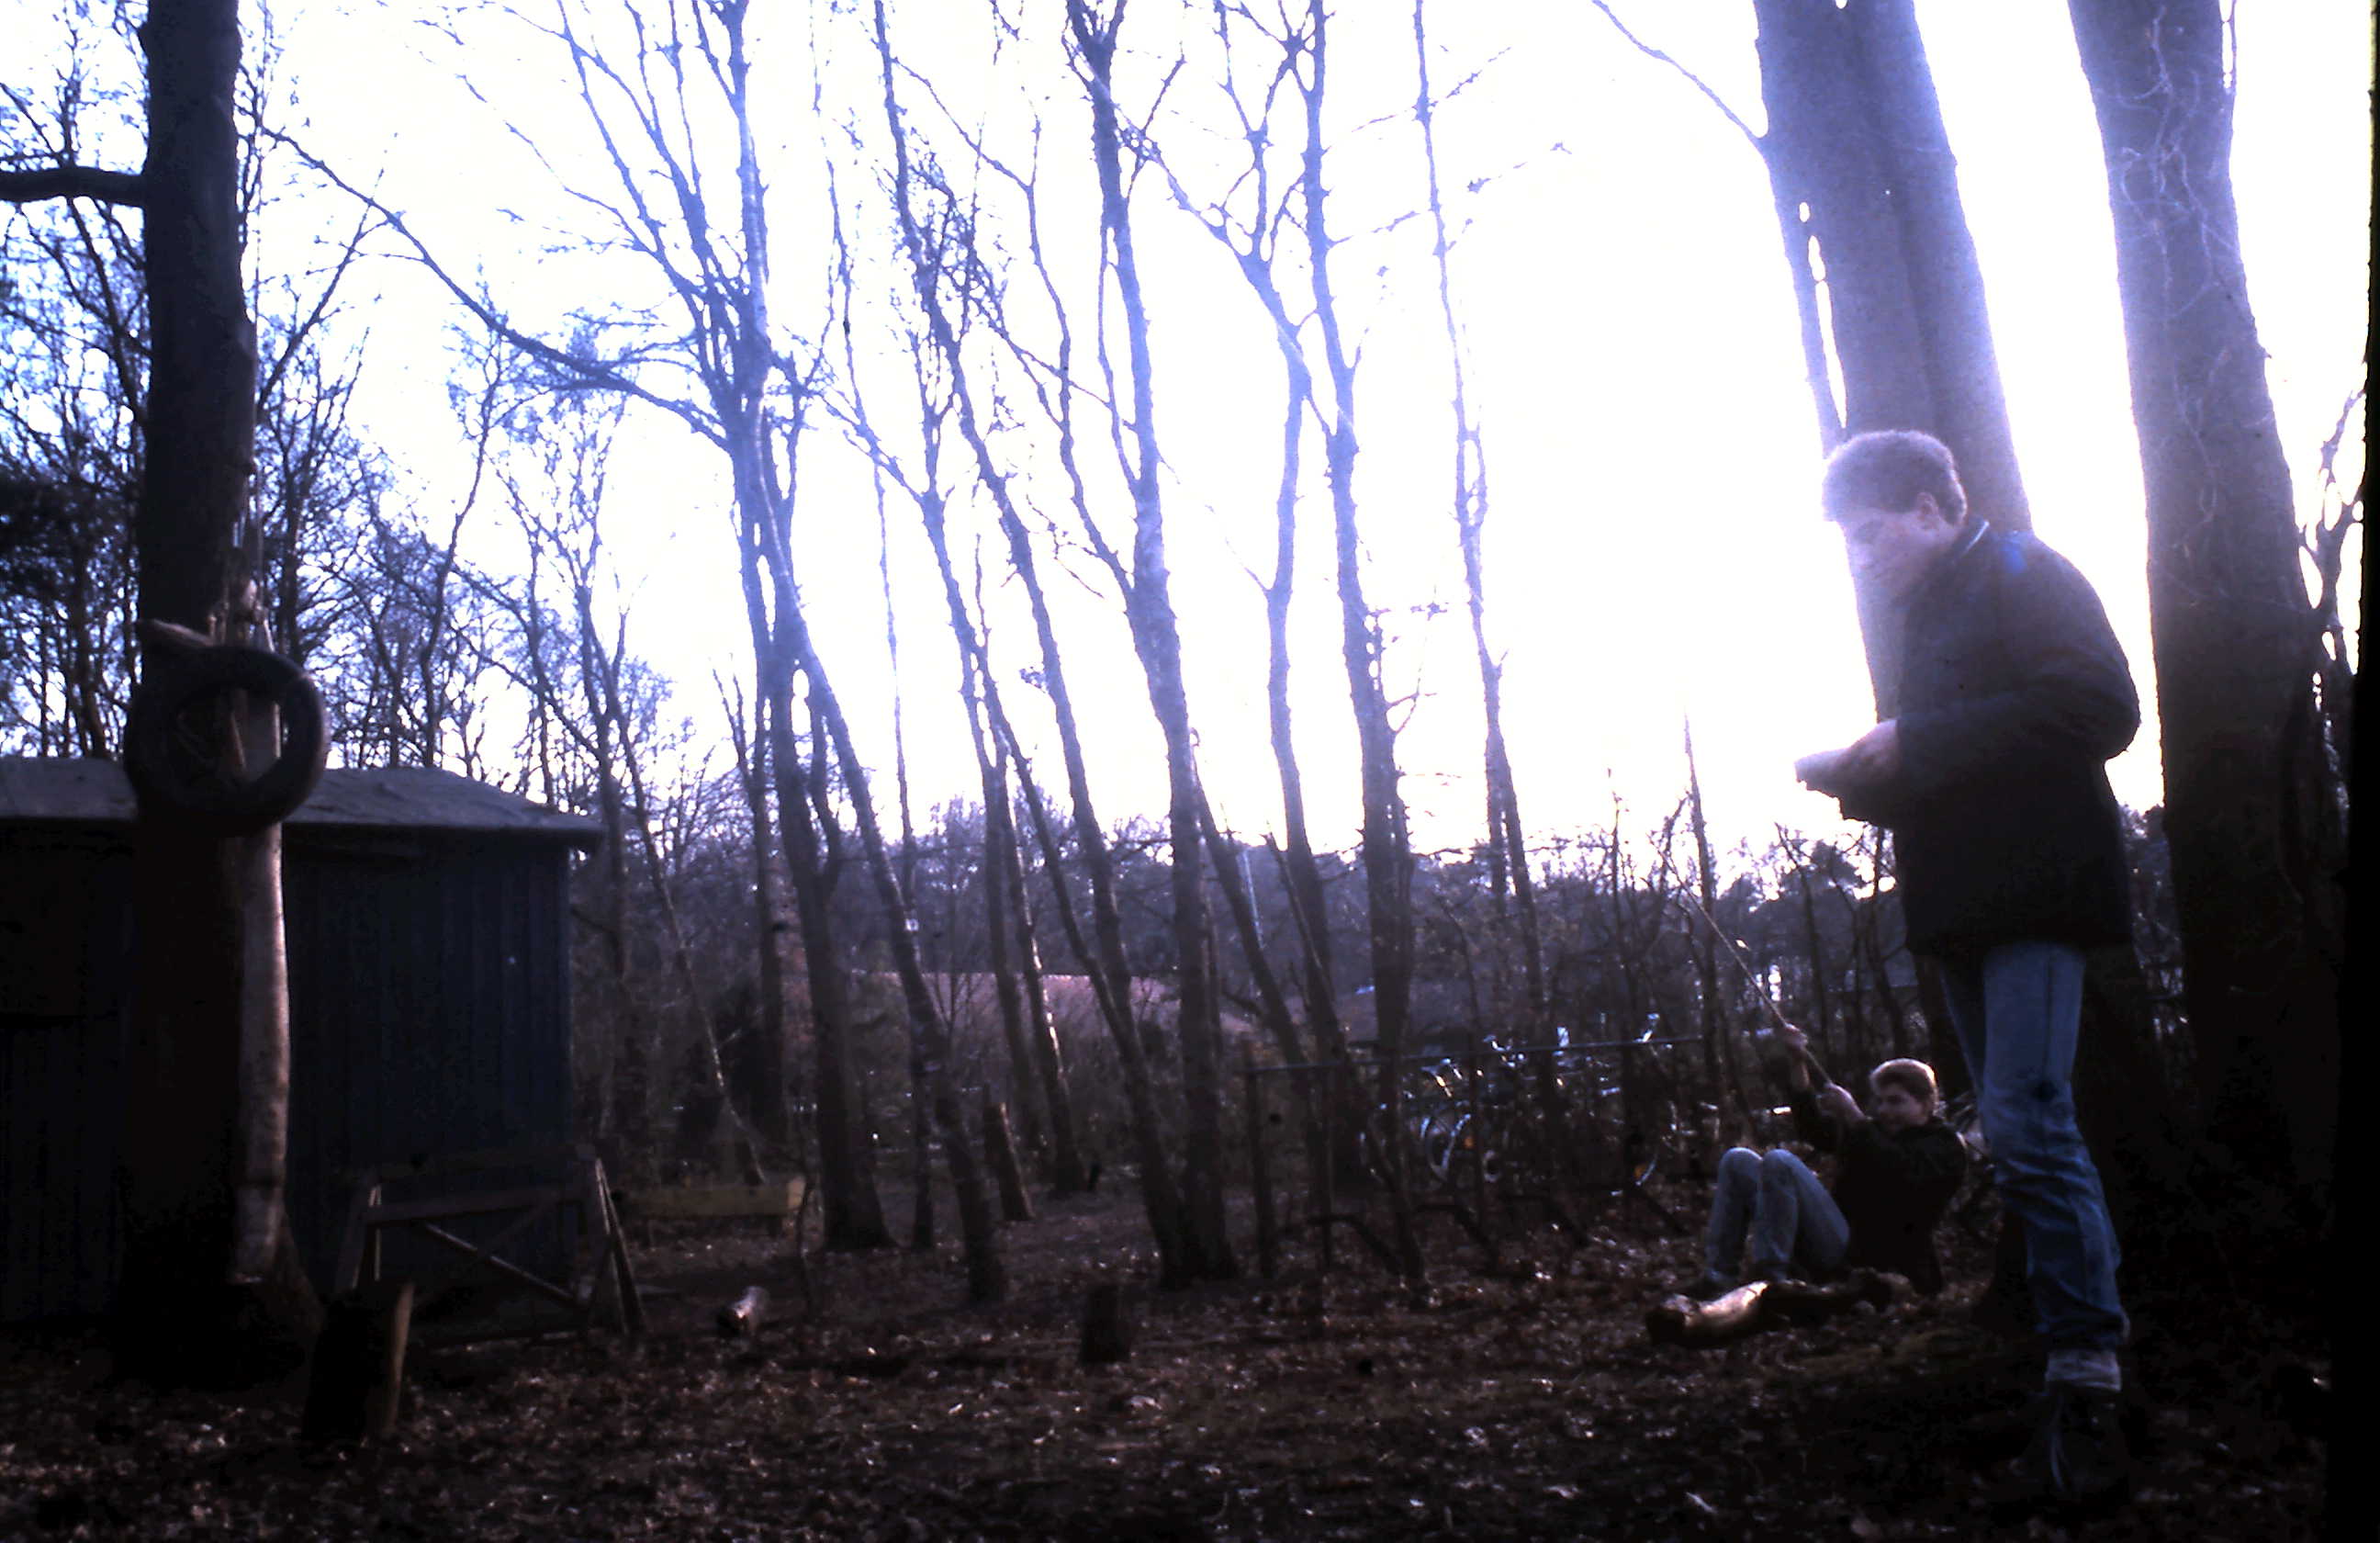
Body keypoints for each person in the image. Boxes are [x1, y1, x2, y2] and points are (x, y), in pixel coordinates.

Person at [1796, 428, 2139, 1510]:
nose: (1861, 557)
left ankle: (2091, 1400)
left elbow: (2102, 708)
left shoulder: (2026, 570)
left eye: (1870, 533)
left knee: (2033, 1126)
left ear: (1932, 508)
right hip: (1964, 909)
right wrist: (1862, 773)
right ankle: (2061, 1381)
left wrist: (1918, 741)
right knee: (2018, 1131)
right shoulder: (1928, 611)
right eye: (1847, 543)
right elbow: (1960, 756)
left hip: (2037, 895)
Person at [1689, 1025, 1967, 1299]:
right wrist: (1798, 1062)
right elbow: (1814, 1129)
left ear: (1927, 1103)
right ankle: (1718, 1276)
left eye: (1896, 1102)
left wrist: (1855, 1117)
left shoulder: (1944, 1145)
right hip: (1830, 1238)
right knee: (1737, 1160)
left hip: (1872, 1259)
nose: (1885, 1111)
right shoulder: (1873, 1132)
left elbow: (1900, 1172)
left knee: (1780, 1161)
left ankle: (1770, 1281)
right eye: (1880, 1102)